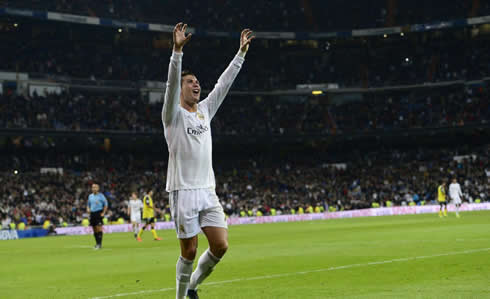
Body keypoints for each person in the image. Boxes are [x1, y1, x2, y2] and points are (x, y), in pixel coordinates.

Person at [162, 23, 254, 299]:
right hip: (183, 190)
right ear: (180, 90)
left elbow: (222, 85)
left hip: (207, 189)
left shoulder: (204, 111)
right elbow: (170, 84)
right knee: (188, 251)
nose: (196, 84)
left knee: (221, 245)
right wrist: (177, 52)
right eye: (190, 82)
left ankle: (192, 286)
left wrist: (240, 54)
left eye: (197, 81)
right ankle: (179, 297)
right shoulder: (172, 116)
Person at [87, 183, 108, 249]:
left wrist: (103, 213)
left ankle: (99, 244)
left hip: (99, 213)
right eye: (93, 187)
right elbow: (88, 204)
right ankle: (97, 243)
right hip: (92, 214)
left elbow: (106, 204)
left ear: (98, 188)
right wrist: (87, 209)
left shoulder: (101, 196)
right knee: (94, 229)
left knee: (99, 228)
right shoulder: (90, 196)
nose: (94, 189)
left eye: (95, 187)